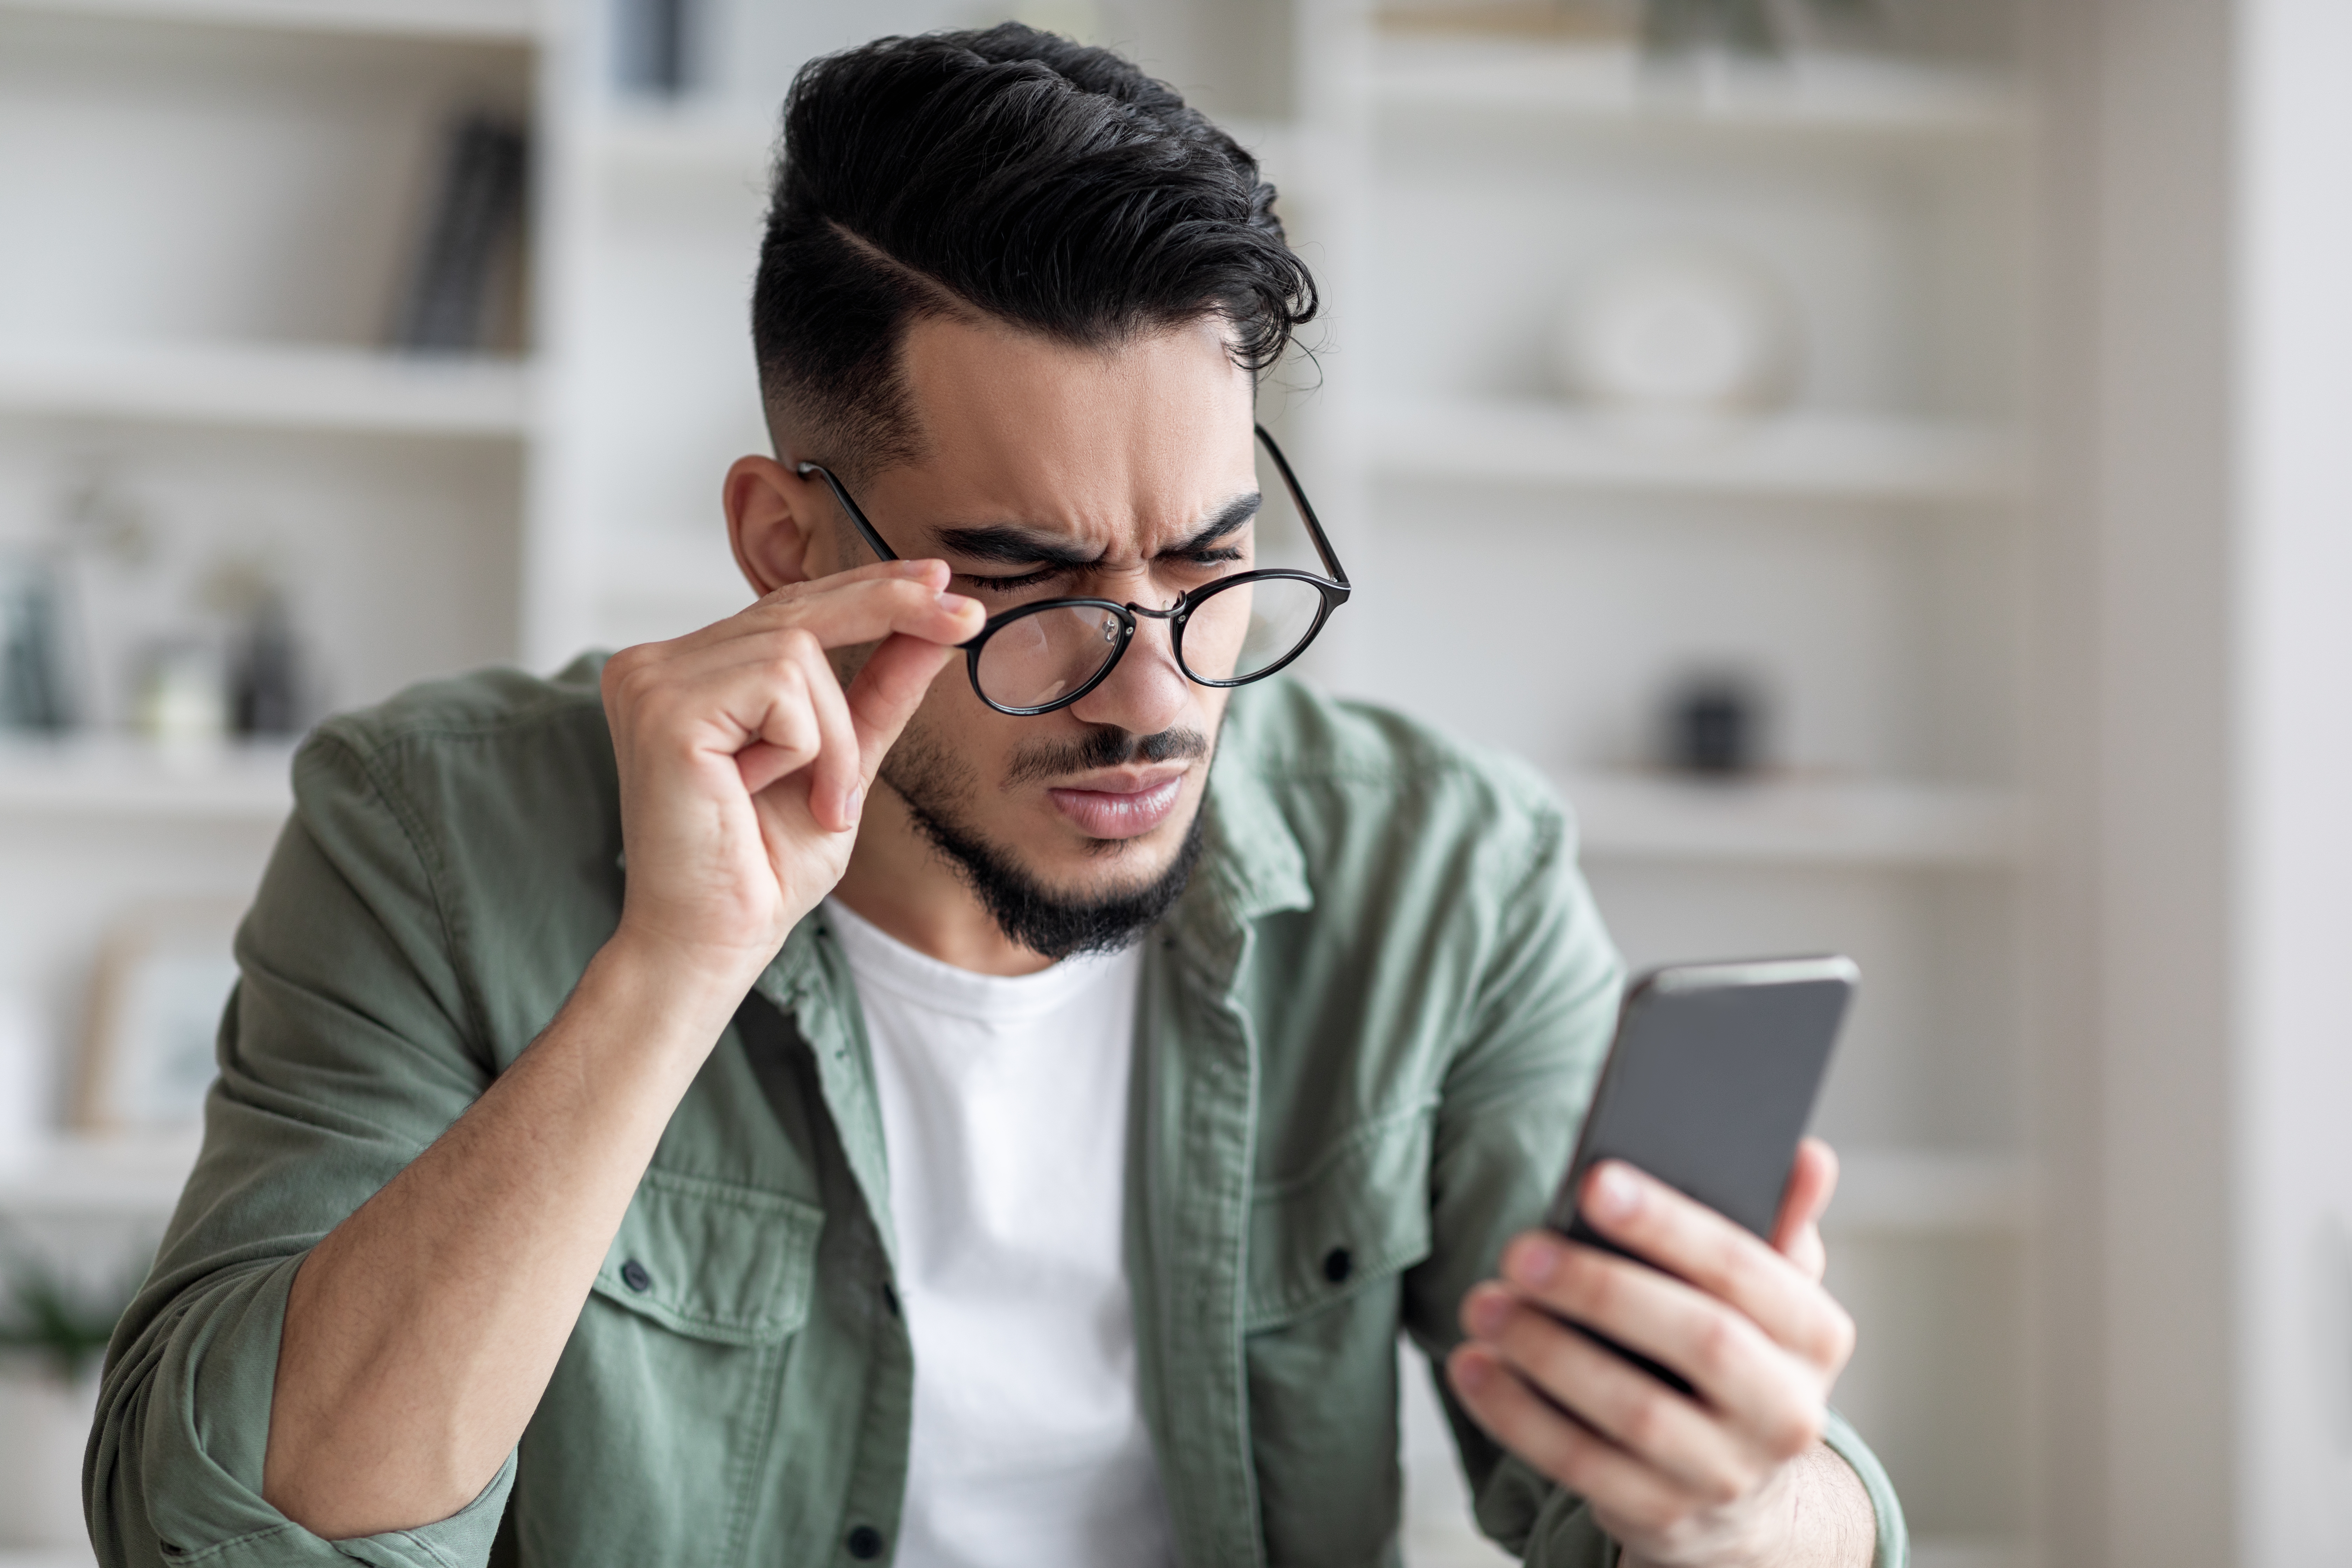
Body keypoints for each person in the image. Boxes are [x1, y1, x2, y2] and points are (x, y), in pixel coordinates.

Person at [89, 26, 1902, 1568]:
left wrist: (1742, 1496)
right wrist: (671, 970)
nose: (1153, 695)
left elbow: (1656, 1507)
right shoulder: (429, 832)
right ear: (788, 548)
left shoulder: (1449, 872)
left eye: (1208, 567)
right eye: (1032, 585)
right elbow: (228, 1523)